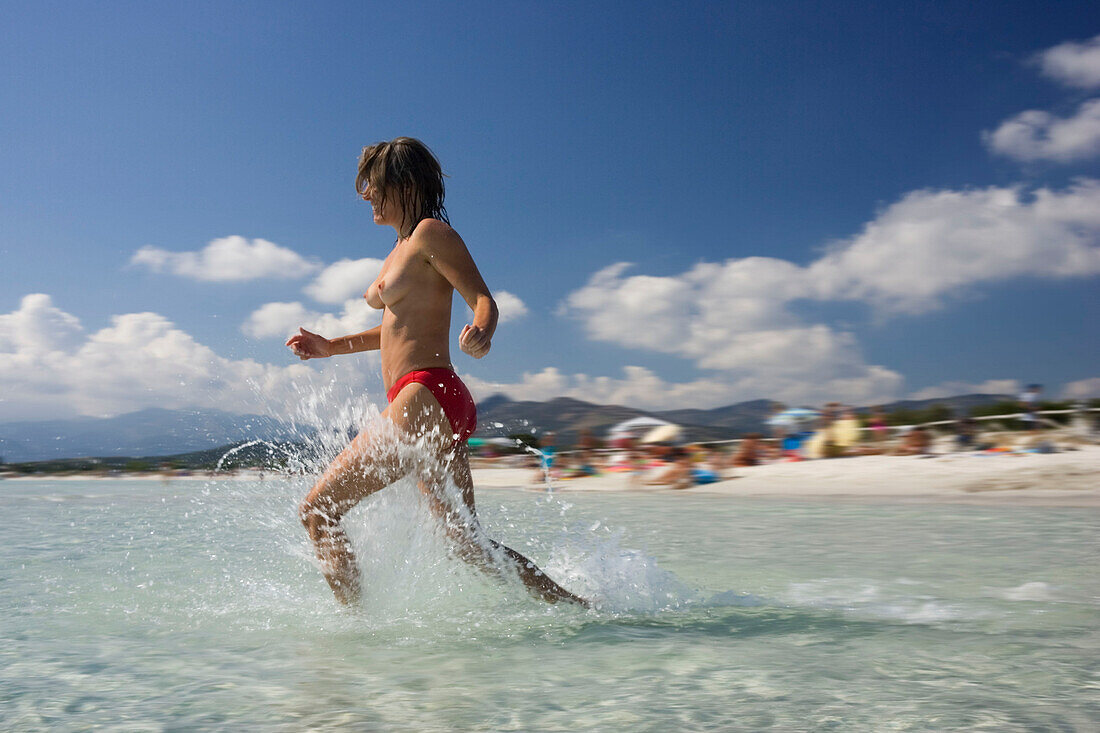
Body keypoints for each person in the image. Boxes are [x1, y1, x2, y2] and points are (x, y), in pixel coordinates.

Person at [286, 137, 585, 607]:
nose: (366, 195)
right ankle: (577, 608)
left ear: (404, 185)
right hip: (433, 402)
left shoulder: (431, 234)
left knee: (319, 511)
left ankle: (356, 633)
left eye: (375, 185)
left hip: (425, 394)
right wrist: (330, 348)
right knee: (466, 545)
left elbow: (483, 300)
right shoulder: (399, 250)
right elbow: (391, 330)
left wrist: (481, 332)